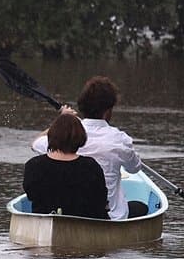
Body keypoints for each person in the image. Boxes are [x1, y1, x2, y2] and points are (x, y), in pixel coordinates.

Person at [32, 76, 145, 220]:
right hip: (107, 215)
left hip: (67, 210)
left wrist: (63, 120)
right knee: (141, 207)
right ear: (107, 111)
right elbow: (134, 169)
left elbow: (35, 143)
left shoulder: (66, 135)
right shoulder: (120, 139)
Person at [23, 113, 109, 219]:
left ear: (51, 136)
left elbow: (31, 194)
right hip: (85, 224)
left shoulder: (33, 165)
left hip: (43, 221)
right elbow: (100, 200)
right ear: (81, 137)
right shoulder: (91, 166)